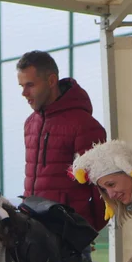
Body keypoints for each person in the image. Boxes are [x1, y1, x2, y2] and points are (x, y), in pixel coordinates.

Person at [17, 50, 107, 231]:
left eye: (30, 85)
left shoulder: (84, 125)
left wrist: (86, 231)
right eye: (21, 86)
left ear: (51, 81)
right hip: (33, 232)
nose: (24, 93)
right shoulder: (30, 124)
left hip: (68, 235)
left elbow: (101, 186)